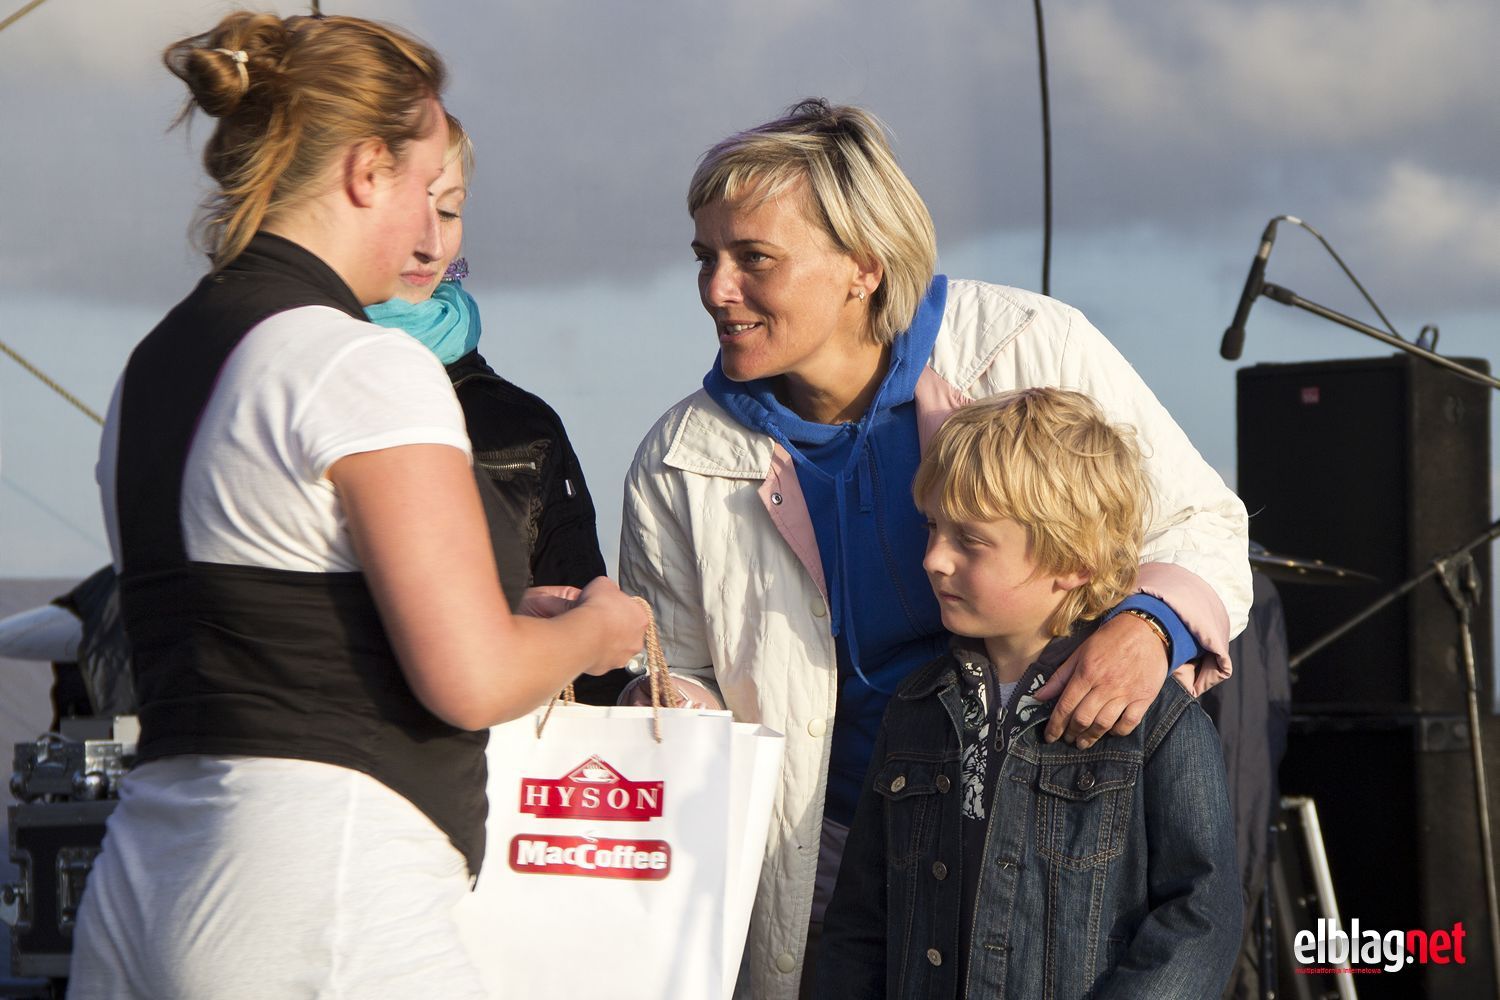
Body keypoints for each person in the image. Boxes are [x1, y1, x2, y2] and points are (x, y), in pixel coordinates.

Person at [67, 12, 644, 998]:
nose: (432, 232)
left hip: (144, 881)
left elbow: (264, 605)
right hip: (319, 890)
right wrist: (598, 630)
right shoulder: (361, 363)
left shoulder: (158, 363)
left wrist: (498, 610)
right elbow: (472, 680)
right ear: (368, 170)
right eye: (426, 188)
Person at [618, 98, 1250, 997]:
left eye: (754, 257)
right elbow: (682, 676)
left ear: (864, 267)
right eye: (704, 258)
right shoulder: (676, 458)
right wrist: (656, 694)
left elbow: (1203, 522)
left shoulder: (1032, 346)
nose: (717, 288)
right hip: (834, 872)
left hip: (1053, 864)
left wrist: (1146, 628)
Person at [816, 388, 1242, 998]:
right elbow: (861, 921)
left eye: (969, 540)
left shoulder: (1156, 719)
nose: (934, 558)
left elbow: (1201, 917)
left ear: (1073, 560)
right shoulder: (914, 710)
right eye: (933, 527)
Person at [364, 116, 628, 703]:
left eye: (448, 211)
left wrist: (613, 667)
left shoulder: (523, 426)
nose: (430, 243)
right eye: (406, 206)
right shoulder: (283, 374)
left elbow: (588, 665)